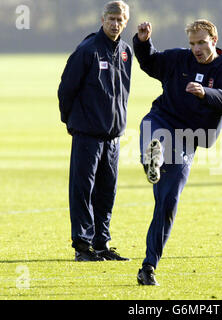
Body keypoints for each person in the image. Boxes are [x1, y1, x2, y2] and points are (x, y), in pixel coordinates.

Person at [133, 20, 222, 285]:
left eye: (201, 43)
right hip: (161, 119)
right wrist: (144, 43)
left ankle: (148, 267)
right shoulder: (179, 60)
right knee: (153, 134)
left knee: (167, 203)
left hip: (189, 138)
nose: (196, 49)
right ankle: (152, 157)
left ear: (214, 40)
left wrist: (206, 93)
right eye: (192, 44)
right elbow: (151, 63)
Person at [57, 1, 132, 261]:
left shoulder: (125, 52)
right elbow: (66, 89)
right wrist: (72, 122)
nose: (115, 24)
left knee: (106, 191)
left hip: (112, 136)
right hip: (87, 134)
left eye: (120, 19)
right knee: (83, 190)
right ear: (102, 20)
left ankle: (102, 243)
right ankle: (82, 247)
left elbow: (123, 92)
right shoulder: (88, 50)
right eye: (111, 19)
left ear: (126, 21)